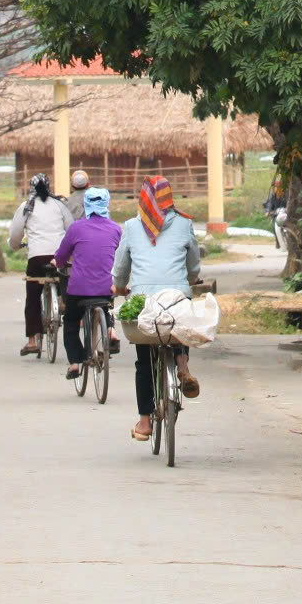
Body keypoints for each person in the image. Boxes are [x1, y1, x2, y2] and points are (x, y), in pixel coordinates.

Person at [113, 175, 204, 442]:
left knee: (144, 361)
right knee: (179, 323)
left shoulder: (131, 226)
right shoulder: (185, 223)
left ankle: (144, 422)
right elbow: (193, 263)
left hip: (143, 301)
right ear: (169, 197)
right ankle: (182, 364)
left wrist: (119, 288)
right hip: (176, 295)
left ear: (143, 198)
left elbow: (121, 267)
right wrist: (189, 280)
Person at [54, 187, 120, 378]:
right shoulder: (116, 229)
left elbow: (61, 256)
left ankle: (75, 363)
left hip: (79, 288)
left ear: (86, 205)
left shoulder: (76, 228)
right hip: (105, 286)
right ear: (107, 204)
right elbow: (122, 257)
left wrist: (58, 262)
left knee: (71, 322)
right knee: (107, 305)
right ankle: (110, 328)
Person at [7, 175, 74, 355]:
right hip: (59, 255)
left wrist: (14, 246)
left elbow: (15, 235)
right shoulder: (59, 205)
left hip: (37, 257)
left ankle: (32, 340)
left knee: (33, 296)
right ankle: (61, 300)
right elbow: (71, 228)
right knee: (63, 277)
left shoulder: (26, 207)